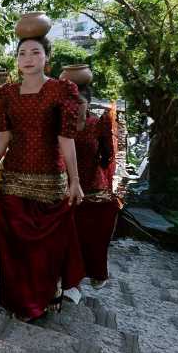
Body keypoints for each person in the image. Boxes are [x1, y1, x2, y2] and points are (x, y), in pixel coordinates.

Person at [0, 35, 85, 322]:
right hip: (14, 175)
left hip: (50, 178)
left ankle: (49, 289)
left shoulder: (61, 90)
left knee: (46, 246)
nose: (27, 58)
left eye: (35, 52)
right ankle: (24, 301)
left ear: (46, 58)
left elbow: (66, 139)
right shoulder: (8, 93)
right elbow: (3, 136)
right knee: (17, 244)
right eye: (22, 53)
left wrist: (75, 180)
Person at [71, 79, 121, 288]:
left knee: (93, 236)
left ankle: (94, 271)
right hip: (66, 187)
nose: (74, 107)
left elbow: (108, 155)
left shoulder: (98, 124)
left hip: (93, 186)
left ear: (88, 103)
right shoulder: (60, 124)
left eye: (79, 102)